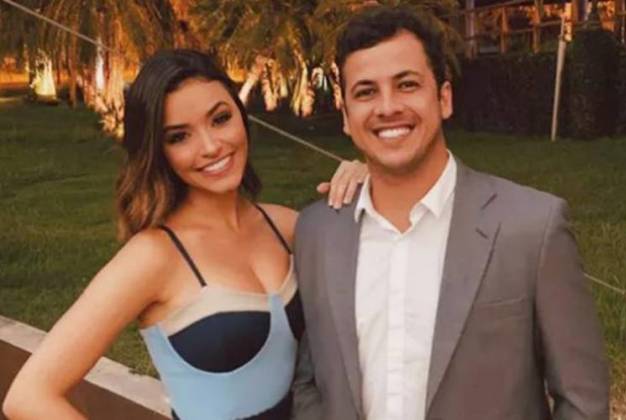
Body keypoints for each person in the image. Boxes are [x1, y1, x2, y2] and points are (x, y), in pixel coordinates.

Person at [2, 49, 366, 420]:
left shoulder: (286, 226)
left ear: (241, 116)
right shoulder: (153, 257)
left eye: (220, 119)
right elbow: (29, 396)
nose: (211, 146)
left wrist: (371, 180)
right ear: (157, 151)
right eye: (179, 137)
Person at [292, 6, 609, 420]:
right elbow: (312, 381)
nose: (387, 107)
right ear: (347, 117)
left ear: (443, 98)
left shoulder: (532, 228)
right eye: (366, 92)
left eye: (407, 85)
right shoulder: (317, 232)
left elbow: (583, 401)